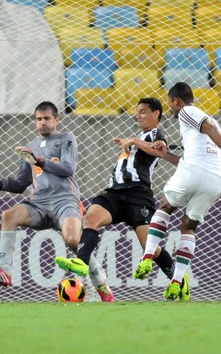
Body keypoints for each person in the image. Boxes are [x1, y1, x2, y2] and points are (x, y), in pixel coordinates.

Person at [0, 101, 114, 302]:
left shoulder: (66, 139)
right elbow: (21, 184)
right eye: (38, 119)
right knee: (8, 215)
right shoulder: (30, 148)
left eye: (47, 118)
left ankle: (102, 285)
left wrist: (38, 161)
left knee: (73, 241)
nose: (42, 123)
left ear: (57, 119)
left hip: (65, 202)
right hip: (38, 204)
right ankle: (4, 271)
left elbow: (68, 169)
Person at [133, 82, 221, 301]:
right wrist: (166, 155)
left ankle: (148, 256)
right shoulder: (208, 122)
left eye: (170, 103)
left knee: (166, 205)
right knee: (189, 226)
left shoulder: (188, 112)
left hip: (197, 171)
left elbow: (209, 129)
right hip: (216, 179)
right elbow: (191, 159)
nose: (171, 108)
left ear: (176, 101)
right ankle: (177, 281)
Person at [54, 98, 177, 288]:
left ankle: (178, 279)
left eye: (143, 111)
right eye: (137, 111)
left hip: (137, 194)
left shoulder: (155, 134)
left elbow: (160, 151)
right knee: (90, 219)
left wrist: (133, 141)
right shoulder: (139, 139)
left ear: (156, 114)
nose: (138, 115)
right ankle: (81, 262)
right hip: (115, 192)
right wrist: (131, 143)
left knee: (149, 247)